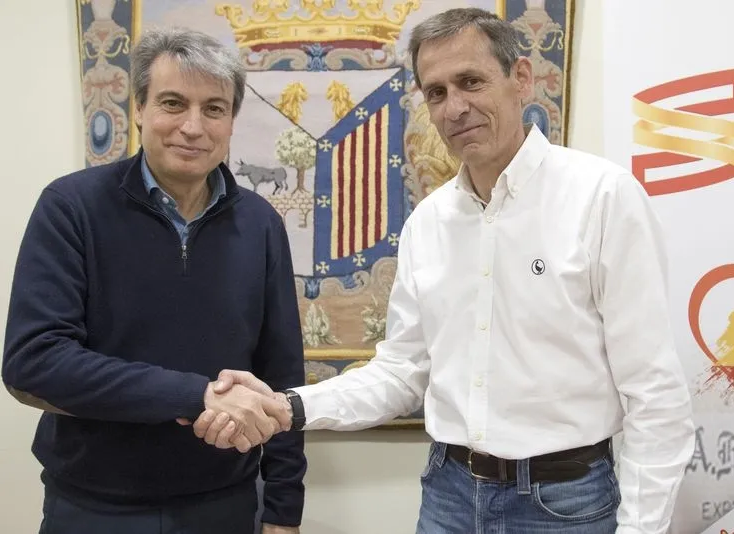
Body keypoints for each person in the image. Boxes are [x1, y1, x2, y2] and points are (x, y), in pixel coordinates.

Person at [197, 7, 695, 534]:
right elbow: (400, 374)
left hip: (566, 505)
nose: (454, 107)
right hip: (449, 497)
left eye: (471, 82)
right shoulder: (429, 222)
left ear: (520, 79)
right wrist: (287, 405)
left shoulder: (603, 198)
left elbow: (655, 394)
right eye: (436, 92)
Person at [1, 27, 306, 534]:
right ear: (138, 108)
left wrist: (283, 508)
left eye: (213, 108)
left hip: (227, 505)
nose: (192, 126)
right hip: (93, 507)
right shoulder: (70, 208)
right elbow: (34, 362)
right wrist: (196, 395)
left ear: (232, 121)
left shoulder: (262, 224)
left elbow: (280, 375)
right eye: (172, 103)